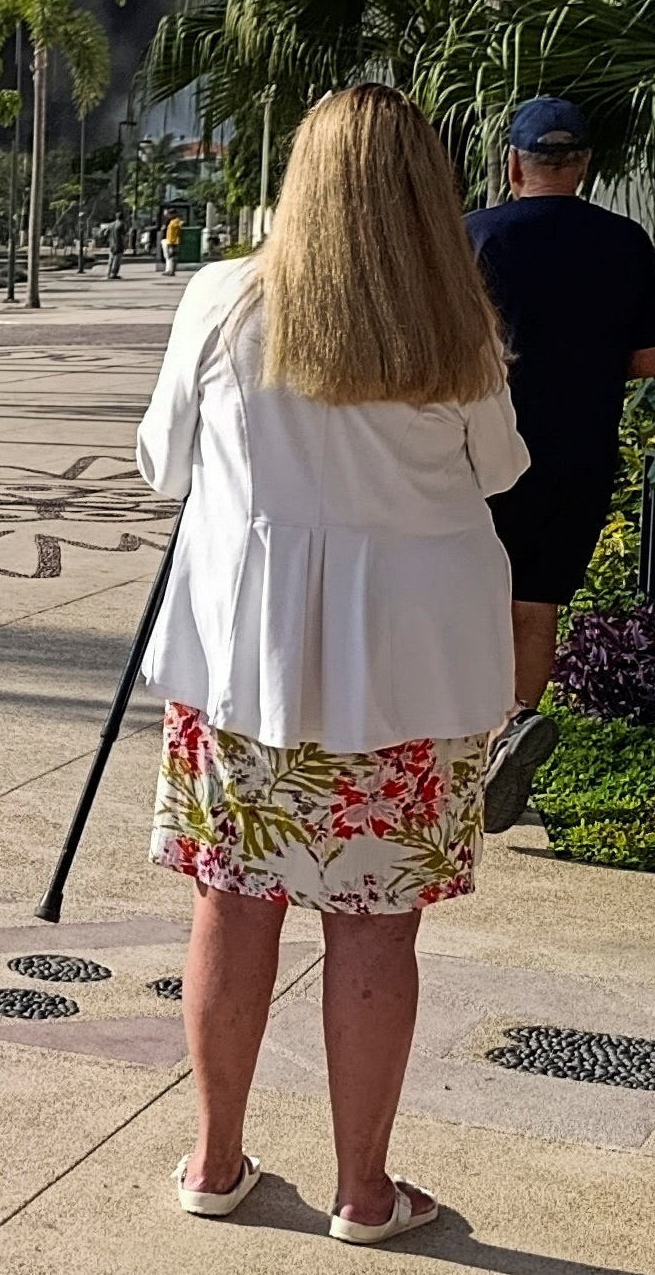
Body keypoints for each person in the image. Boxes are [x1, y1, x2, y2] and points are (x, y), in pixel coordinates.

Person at [137, 84, 528, 1247]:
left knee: (232, 902)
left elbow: (164, 460)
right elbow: (503, 469)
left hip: (247, 663)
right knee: (376, 924)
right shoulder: (451, 326)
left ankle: (215, 1161)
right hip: (407, 679)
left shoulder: (222, 300)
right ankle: (365, 1190)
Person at [467, 97, 655, 830]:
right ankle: (510, 728)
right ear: (582, 165)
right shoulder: (624, 241)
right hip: (579, 450)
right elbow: (647, 359)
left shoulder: (474, 235)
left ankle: (462, 747)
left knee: (472, 596)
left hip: (480, 451)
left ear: (513, 163)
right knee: (535, 602)